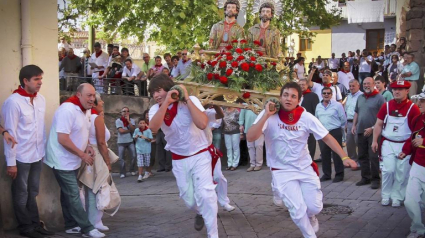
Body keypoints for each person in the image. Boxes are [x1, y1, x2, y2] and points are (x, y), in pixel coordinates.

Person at [247, 82, 357, 238]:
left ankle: (311, 216)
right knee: (297, 209)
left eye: (293, 96)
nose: (289, 99)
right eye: (285, 95)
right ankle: (309, 235)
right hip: (282, 171)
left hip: (305, 168)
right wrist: (265, 115)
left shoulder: (306, 117)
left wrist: (344, 156)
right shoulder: (269, 114)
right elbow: (251, 136)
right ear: (280, 97)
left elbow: (326, 137)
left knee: (315, 207)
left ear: (299, 100)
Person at [148, 74, 218, 238]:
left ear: (170, 88)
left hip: (201, 154)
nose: (156, 95)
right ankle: (199, 211)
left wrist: (186, 99)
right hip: (179, 159)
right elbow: (153, 128)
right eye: (153, 93)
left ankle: (213, 234)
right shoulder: (155, 109)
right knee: (189, 200)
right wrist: (166, 102)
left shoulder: (191, 100)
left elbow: (202, 124)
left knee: (206, 195)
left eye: (159, 90)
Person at [44, 83, 105, 238]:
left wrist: (88, 146)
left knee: (67, 194)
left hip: (74, 158)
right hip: (61, 159)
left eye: (93, 95)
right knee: (73, 194)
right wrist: (82, 154)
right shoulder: (67, 110)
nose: (92, 99)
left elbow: (82, 132)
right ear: (79, 95)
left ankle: (70, 225)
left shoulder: (87, 109)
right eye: (89, 96)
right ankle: (87, 228)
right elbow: (63, 139)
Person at [2, 65, 55, 238]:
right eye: (36, 79)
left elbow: (40, 130)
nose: (40, 83)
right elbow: (10, 133)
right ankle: (25, 228)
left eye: (41, 79)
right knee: (21, 193)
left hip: (37, 155)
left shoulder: (41, 100)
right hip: (21, 157)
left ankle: (35, 224)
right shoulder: (13, 102)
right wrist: (11, 163)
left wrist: (43, 153)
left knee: (33, 191)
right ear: (25, 81)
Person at [371, 80, 420, 207]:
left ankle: (398, 196)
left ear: (407, 91)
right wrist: (375, 140)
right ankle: (386, 195)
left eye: (400, 89)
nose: (397, 91)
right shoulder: (386, 106)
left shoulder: (413, 108)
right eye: (394, 89)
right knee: (388, 170)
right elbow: (379, 124)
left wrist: (410, 147)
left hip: (405, 144)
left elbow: (417, 130)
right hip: (388, 143)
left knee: (402, 172)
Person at [77, 92, 112, 232]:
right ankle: (94, 220)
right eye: (100, 101)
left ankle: (95, 220)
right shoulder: (96, 118)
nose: (103, 102)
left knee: (91, 189)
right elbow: (102, 142)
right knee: (97, 188)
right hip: (96, 154)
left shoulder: (87, 116)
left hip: (88, 153)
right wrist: (107, 162)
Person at [399, 90, 425, 238]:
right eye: (419, 100)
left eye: (422, 101)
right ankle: (417, 228)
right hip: (418, 165)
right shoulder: (417, 118)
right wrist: (405, 150)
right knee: (409, 200)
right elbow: (412, 138)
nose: (419, 103)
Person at [351, 77, 385, 189]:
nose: (366, 85)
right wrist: (354, 125)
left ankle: (375, 179)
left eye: (368, 83)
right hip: (360, 131)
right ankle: (365, 178)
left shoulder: (379, 98)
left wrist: (372, 128)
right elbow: (357, 112)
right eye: (364, 84)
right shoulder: (360, 97)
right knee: (362, 156)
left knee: (373, 156)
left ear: (373, 84)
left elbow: (384, 116)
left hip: (373, 132)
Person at [204, 105, 236, 212]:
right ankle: (204, 206)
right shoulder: (189, 114)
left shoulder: (207, 112)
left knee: (219, 176)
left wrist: (215, 106)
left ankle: (224, 202)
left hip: (210, 150)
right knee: (202, 180)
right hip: (196, 154)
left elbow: (220, 116)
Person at [315, 87, 347, 183]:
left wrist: (339, 129)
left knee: (337, 153)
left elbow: (343, 119)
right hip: (322, 133)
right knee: (324, 154)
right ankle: (327, 174)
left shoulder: (337, 105)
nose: (326, 95)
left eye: (328, 93)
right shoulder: (318, 106)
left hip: (334, 131)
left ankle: (339, 174)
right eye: (324, 93)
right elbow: (317, 118)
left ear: (331, 94)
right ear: (321, 95)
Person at [298, 78, 320, 160]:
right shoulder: (296, 96)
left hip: (309, 123)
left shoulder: (313, 96)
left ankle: (310, 160)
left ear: (307, 85)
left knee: (310, 142)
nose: (301, 86)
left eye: (303, 85)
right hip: (298, 123)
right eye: (299, 85)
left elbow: (316, 110)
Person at [345, 79, 363, 168]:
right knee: (349, 142)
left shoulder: (362, 96)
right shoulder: (348, 96)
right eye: (350, 86)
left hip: (358, 122)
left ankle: (361, 161)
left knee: (358, 142)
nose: (351, 88)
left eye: (353, 86)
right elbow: (346, 110)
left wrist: (356, 124)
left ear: (358, 86)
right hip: (348, 122)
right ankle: (353, 160)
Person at [239, 107, 264, 171]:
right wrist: (241, 125)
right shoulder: (245, 105)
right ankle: (252, 164)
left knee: (258, 146)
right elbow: (241, 116)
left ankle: (259, 164)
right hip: (248, 128)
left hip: (260, 128)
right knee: (250, 147)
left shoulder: (260, 104)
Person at [116, 107, 137, 178]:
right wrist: (129, 130)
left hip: (130, 141)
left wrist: (128, 121)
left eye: (127, 111)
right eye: (124, 111)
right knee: (121, 158)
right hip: (121, 142)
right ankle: (122, 172)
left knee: (133, 156)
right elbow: (121, 131)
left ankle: (132, 169)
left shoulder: (132, 120)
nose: (126, 113)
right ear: (121, 113)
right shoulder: (118, 121)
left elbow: (133, 129)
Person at [223, 107, 241, 171]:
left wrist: (241, 132)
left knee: (235, 147)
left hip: (235, 131)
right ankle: (229, 164)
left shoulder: (236, 111)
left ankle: (235, 164)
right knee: (228, 148)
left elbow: (240, 121)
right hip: (226, 131)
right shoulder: (224, 110)